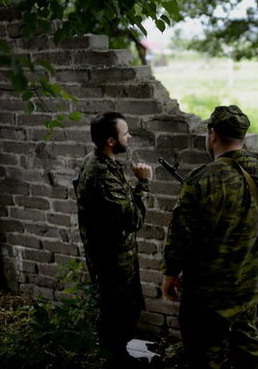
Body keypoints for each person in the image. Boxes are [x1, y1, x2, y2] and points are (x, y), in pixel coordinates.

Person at [162, 105, 258, 369]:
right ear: (242, 137)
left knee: (204, 350)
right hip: (249, 280)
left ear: (212, 135)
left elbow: (180, 234)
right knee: (246, 339)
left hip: (209, 288)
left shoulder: (201, 179)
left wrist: (170, 273)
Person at [74, 112, 152, 368]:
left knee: (118, 312)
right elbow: (133, 220)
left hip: (113, 255)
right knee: (120, 314)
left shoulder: (96, 160)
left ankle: (118, 356)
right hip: (112, 260)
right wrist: (143, 184)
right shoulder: (102, 174)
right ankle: (116, 361)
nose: (129, 137)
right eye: (125, 133)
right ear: (110, 140)